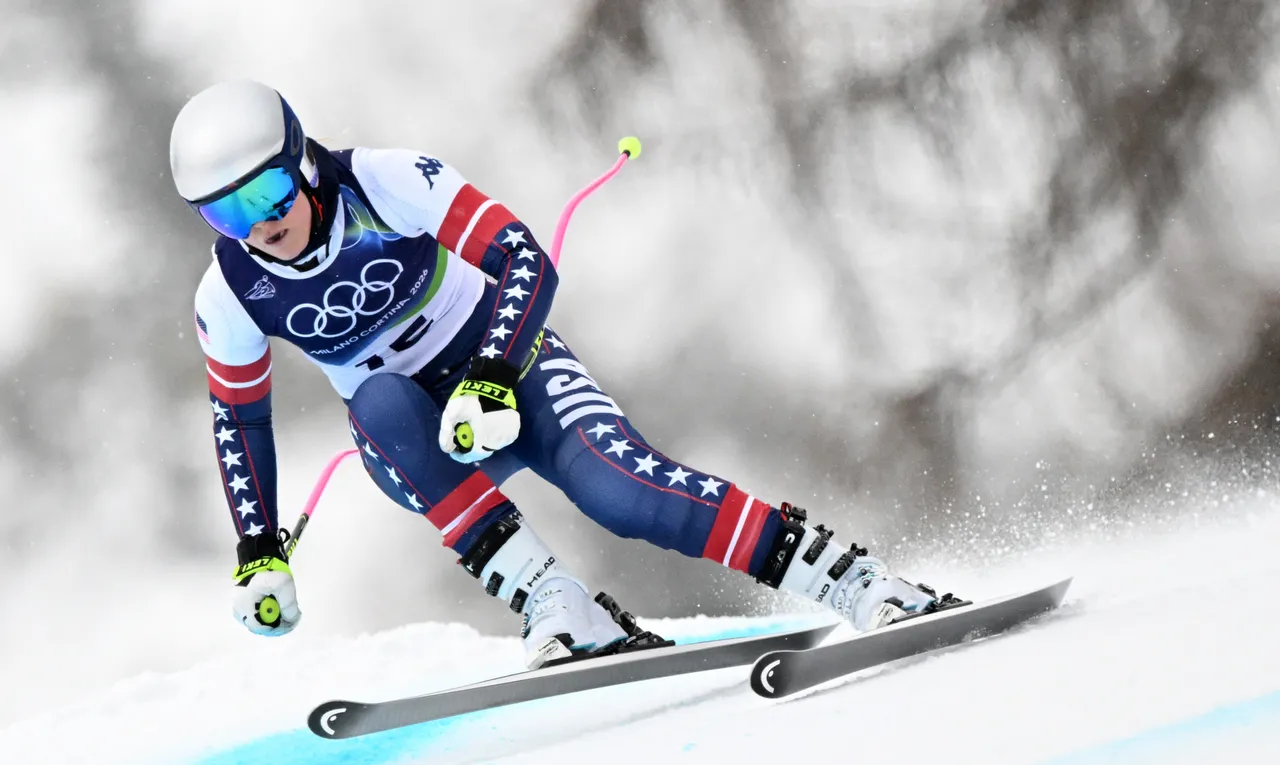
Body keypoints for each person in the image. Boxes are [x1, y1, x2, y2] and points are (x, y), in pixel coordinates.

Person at [170, 80, 944, 668]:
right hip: (409, 434)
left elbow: (521, 259)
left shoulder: (383, 181)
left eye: (268, 192)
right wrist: (259, 549)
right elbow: (240, 419)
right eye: (227, 215)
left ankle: (856, 581)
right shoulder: (231, 290)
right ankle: (558, 603)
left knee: (623, 494)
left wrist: (495, 373)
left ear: (301, 162)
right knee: (378, 400)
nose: (261, 225)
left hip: (504, 361)